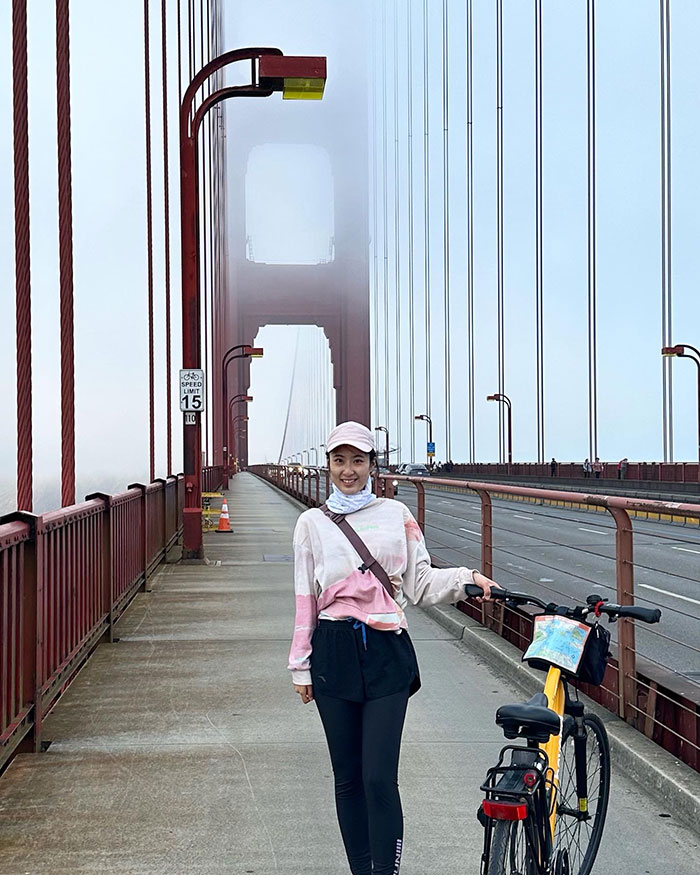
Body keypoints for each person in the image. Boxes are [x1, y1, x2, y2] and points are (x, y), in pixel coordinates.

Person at [288, 421, 495, 875]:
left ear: (372, 465)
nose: (348, 471)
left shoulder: (397, 515)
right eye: (339, 461)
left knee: (379, 777)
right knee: (348, 780)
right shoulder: (311, 524)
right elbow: (305, 598)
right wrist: (300, 667)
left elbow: (420, 583)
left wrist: (466, 579)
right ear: (327, 465)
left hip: (386, 654)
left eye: (358, 461)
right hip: (333, 653)